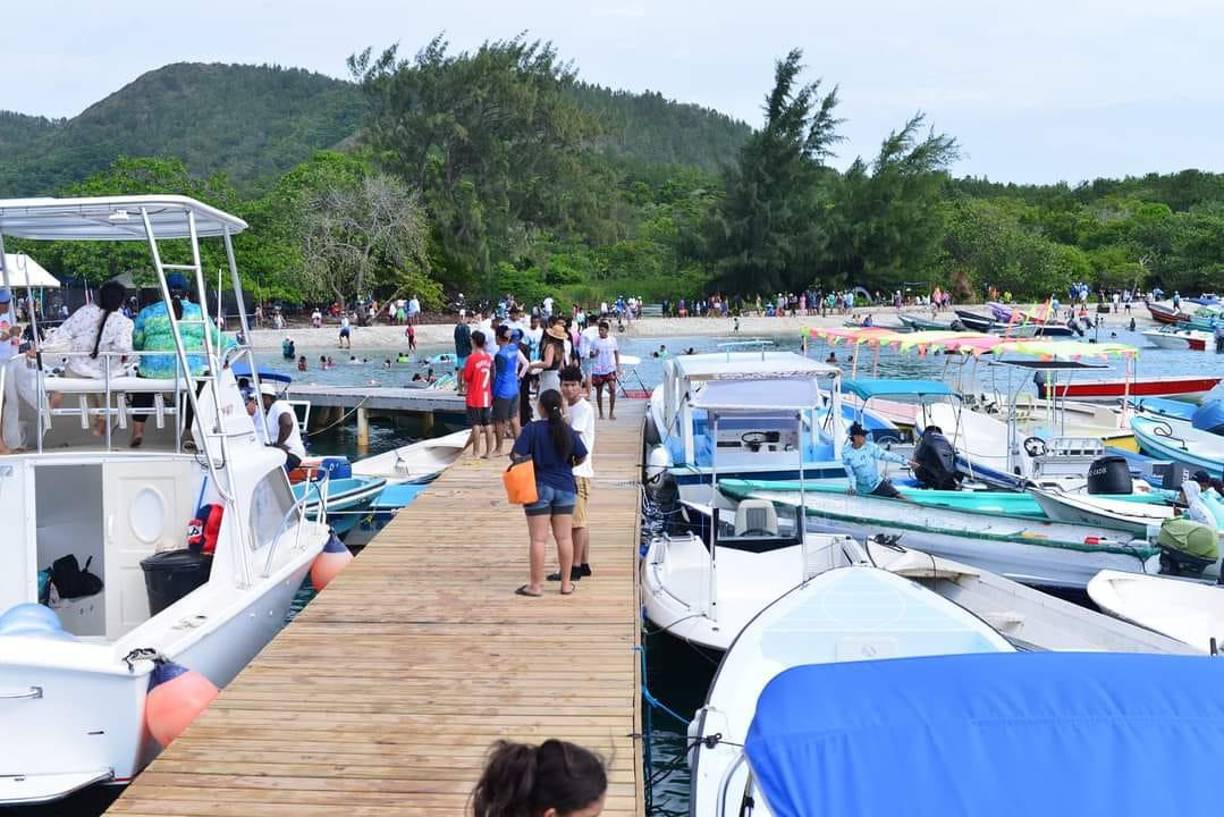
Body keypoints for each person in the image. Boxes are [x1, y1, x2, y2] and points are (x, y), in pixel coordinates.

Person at [128, 275, 227, 449]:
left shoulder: (148, 312)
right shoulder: (199, 312)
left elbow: (137, 342)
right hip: (188, 372)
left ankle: (138, 431)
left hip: (153, 372)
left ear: (162, 291)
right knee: (196, 387)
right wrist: (234, 347)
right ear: (187, 292)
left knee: (143, 381)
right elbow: (216, 338)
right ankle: (189, 432)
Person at [510, 389, 587, 597]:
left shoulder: (532, 430)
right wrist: (567, 463)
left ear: (540, 407)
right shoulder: (566, 430)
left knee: (538, 540)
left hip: (538, 486)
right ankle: (565, 584)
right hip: (565, 486)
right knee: (564, 538)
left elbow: (516, 454)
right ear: (560, 407)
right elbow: (582, 455)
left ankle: (535, 586)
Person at [38, 281, 134, 426]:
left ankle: (61, 390)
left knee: (81, 380)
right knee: (112, 393)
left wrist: (40, 349)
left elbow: (62, 333)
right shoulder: (124, 322)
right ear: (121, 301)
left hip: (78, 370)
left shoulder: (85, 312)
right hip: (107, 372)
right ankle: (102, 420)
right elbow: (123, 347)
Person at [553, 366, 595, 583]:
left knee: (575, 523)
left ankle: (575, 566)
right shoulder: (571, 407)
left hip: (578, 471)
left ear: (581, 386)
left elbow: (571, 438)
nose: (569, 389)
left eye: (573, 385)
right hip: (577, 471)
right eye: (565, 385)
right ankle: (584, 563)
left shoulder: (582, 408)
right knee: (581, 521)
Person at [841, 422, 916, 499]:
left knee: (899, 496)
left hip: (877, 484)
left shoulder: (871, 447)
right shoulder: (846, 452)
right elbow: (850, 473)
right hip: (862, 489)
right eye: (862, 435)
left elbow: (887, 456)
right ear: (855, 437)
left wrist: (907, 462)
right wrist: (852, 487)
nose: (865, 437)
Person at [492, 325, 528, 453]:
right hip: (514, 387)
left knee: (499, 420)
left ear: (498, 338)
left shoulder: (499, 355)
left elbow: (498, 375)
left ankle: (499, 448)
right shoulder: (514, 348)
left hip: (503, 390)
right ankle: (519, 447)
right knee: (514, 418)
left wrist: (493, 393)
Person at [461, 330, 496, 458]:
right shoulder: (488, 357)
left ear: (474, 342)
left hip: (475, 396)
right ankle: (489, 452)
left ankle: (476, 452)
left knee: (475, 424)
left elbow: (467, 377)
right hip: (487, 395)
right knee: (487, 424)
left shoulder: (472, 358)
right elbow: (492, 376)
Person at [259, 383, 306, 472]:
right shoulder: (269, 411)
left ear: (266, 397)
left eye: (257, 398)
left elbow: (287, 423)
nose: (256, 402)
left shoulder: (279, 405)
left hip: (289, 453)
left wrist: (279, 444)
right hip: (278, 453)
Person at [588, 321, 621, 420]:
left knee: (612, 388)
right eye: (599, 330)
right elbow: (590, 354)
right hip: (598, 369)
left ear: (607, 330)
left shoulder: (612, 340)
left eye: (602, 330)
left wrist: (618, 365)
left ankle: (611, 412)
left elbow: (616, 352)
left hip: (610, 368)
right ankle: (601, 413)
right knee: (599, 391)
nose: (600, 332)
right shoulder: (595, 341)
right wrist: (595, 354)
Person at [531, 319, 567, 397]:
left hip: (547, 376)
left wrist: (533, 365)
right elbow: (561, 365)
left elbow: (547, 363)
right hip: (556, 376)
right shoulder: (561, 348)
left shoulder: (550, 346)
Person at [454, 314, 473, 395]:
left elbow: (455, 338)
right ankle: (465, 389)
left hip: (459, 351)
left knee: (459, 372)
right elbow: (468, 340)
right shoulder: (466, 328)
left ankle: (459, 389)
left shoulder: (457, 328)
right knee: (465, 371)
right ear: (466, 318)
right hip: (466, 352)